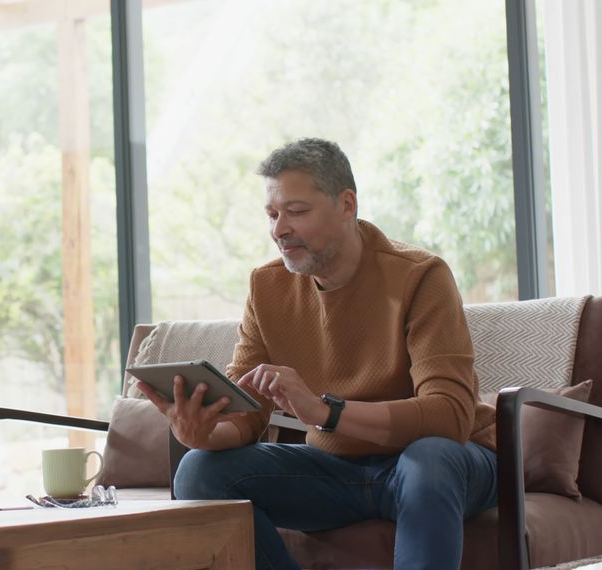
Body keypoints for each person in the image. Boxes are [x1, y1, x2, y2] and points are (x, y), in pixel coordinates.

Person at [136, 138, 498, 570]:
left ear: (347, 205)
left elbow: (450, 416)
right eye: (272, 215)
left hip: (445, 465)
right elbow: (247, 412)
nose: (279, 229)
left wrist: (328, 412)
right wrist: (201, 433)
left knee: (430, 458)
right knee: (198, 472)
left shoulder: (420, 276)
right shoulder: (267, 288)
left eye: (297, 211)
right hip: (337, 471)